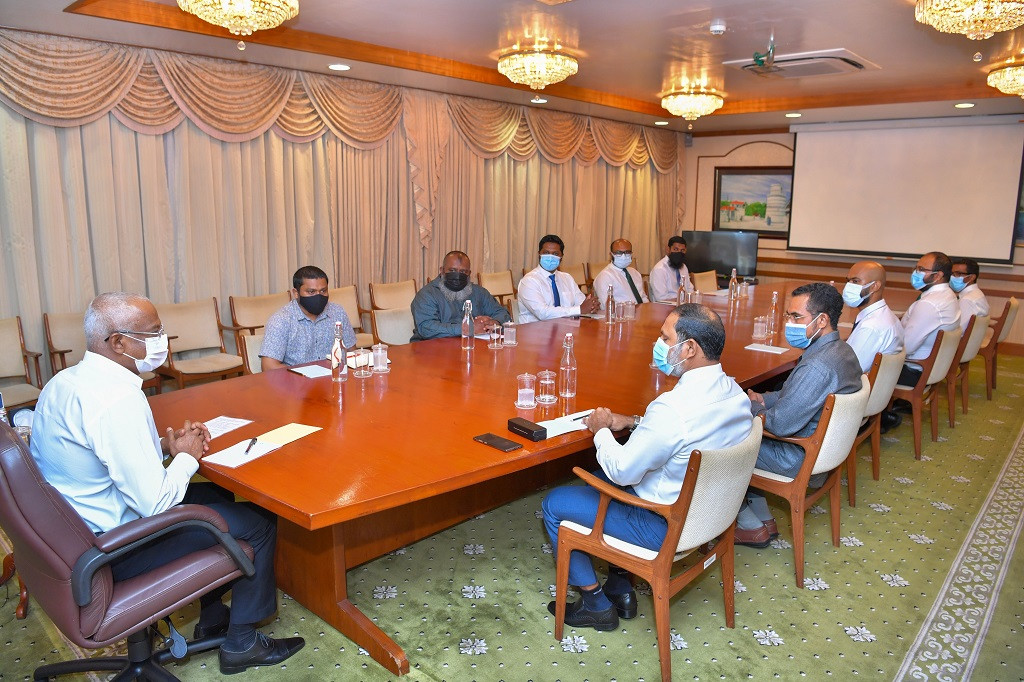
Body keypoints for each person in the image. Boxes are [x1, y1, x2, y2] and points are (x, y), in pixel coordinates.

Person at [29, 292, 304, 675]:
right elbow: (155, 505)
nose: (163, 341)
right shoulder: (115, 400)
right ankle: (242, 644)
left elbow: (99, 454)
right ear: (118, 342)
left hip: (73, 532)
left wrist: (163, 446)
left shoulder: (67, 381)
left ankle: (212, 617)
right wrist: (187, 456)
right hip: (113, 549)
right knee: (259, 521)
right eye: (153, 333)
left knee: (216, 492)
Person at [541, 304, 753, 630]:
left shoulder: (673, 407)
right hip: (709, 515)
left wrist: (600, 429)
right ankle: (620, 588)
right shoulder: (735, 394)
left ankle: (596, 606)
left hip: (661, 526)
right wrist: (635, 422)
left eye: (665, 338)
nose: (659, 344)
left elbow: (622, 470)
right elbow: (683, 435)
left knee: (556, 503)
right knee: (597, 482)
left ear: (690, 348)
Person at [740, 283, 863, 547]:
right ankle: (763, 516)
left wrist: (753, 407)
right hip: (824, 452)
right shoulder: (842, 350)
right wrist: (763, 398)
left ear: (822, 320)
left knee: (720, 441)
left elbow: (779, 425)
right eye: (789, 315)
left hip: (796, 457)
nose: (789, 323)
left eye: (797, 317)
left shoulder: (817, 366)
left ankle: (748, 525)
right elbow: (794, 395)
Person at [260, 265, 355, 371]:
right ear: (296, 293)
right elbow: (268, 367)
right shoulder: (281, 320)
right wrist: (308, 373)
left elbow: (351, 352)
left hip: (336, 376)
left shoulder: (338, 312)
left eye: (323, 291)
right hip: (298, 379)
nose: (318, 296)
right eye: (311, 292)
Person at [410, 250, 511, 341]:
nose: (457, 275)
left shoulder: (479, 292)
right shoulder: (427, 295)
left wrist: (495, 322)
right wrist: (466, 328)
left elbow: (502, 313)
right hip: (432, 350)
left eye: (463, 272)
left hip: (471, 347)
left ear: (469, 273)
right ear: (442, 270)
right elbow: (426, 328)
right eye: (452, 270)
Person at [898, 251, 960, 387]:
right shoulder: (948, 295)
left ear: (938, 276)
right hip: (932, 368)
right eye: (916, 268)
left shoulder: (929, 304)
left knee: (859, 366)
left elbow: (906, 347)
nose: (915, 273)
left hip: (913, 370)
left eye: (921, 269)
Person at [517, 234, 600, 323]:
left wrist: (591, 306)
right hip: (535, 330)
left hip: (566, 328)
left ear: (561, 257)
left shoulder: (567, 278)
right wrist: (579, 309)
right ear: (539, 254)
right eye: (546, 253)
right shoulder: (529, 281)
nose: (550, 257)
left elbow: (582, 303)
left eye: (555, 254)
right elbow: (542, 313)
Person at [842, 261, 904, 373]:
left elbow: (848, 371)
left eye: (855, 281)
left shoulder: (871, 327)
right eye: (848, 281)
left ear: (874, 286)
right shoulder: (885, 315)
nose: (848, 286)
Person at [591, 238, 649, 309]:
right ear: (611, 254)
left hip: (642, 311)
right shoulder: (605, 276)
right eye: (619, 253)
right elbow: (606, 307)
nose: (623, 256)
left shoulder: (635, 273)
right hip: (622, 314)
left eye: (627, 252)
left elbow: (643, 297)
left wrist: (648, 309)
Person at [647, 235, 691, 303]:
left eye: (682, 250)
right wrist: (682, 300)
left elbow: (689, 288)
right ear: (668, 249)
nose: (679, 253)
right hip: (665, 306)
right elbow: (661, 298)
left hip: (683, 304)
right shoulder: (660, 269)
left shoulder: (683, 267)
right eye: (675, 249)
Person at [951, 257, 990, 333]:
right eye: (952, 274)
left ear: (972, 277)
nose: (952, 277)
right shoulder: (977, 293)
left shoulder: (967, 300)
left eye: (958, 274)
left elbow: (958, 331)